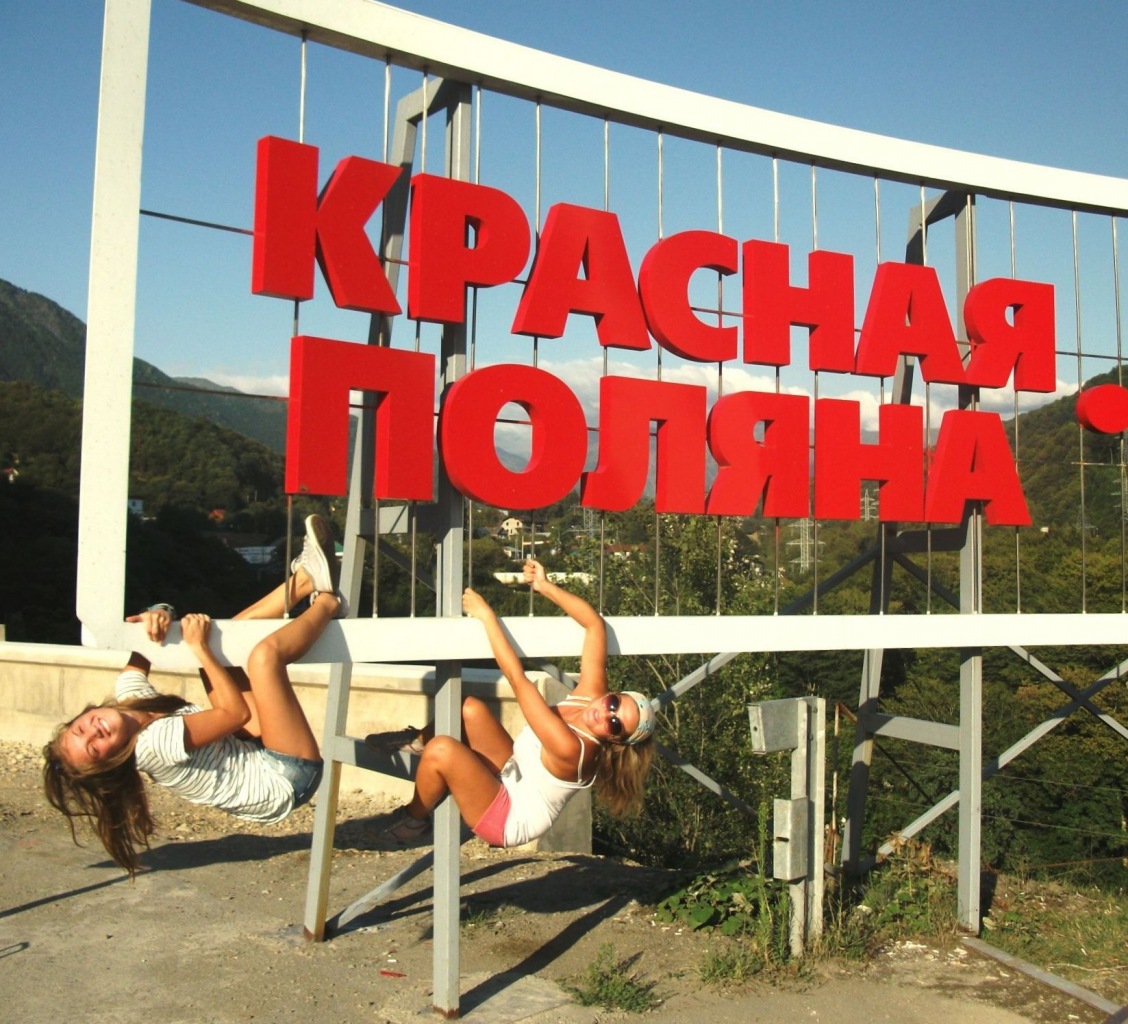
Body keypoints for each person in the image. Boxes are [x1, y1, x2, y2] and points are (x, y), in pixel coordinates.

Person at [43, 514, 346, 877]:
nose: (94, 732)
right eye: (95, 748)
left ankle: (305, 580)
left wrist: (158, 614)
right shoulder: (153, 746)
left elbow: (148, 645)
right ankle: (329, 602)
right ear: (112, 761)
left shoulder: (129, 700)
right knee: (263, 658)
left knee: (228, 638)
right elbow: (235, 713)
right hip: (285, 779)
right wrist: (199, 649)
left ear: (78, 717)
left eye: (80, 730)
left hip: (253, 747)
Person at [366, 559, 657, 847]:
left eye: (615, 725)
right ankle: (418, 741)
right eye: (614, 704)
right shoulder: (593, 695)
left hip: (510, 818)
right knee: (469, 709)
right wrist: (544, 585)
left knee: (442, 750)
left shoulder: (573, 749)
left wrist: (487, 616)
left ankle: (414, 819)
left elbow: (518, 680)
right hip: (513, 773)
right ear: (612, 694)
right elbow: (595, 625)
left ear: (615, 741)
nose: (605, 714)